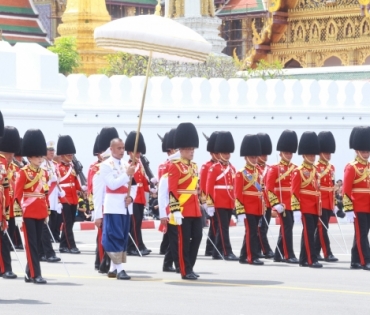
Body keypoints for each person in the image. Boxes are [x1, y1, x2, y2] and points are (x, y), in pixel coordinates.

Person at [97, 138, 135, 280]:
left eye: (123, 148)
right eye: (118, 148)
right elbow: (112, 184)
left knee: (123, 237)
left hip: (125, 206)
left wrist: (131, 198)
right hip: (113, 206)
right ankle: (120, 269)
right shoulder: (105, 165)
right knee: (114, 236)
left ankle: (113, 268)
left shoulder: (127, 165)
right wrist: (127, 175)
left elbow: (135, 186)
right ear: (111, 149)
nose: (121, 151)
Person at [168, 122, 202, 280]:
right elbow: (172, 190)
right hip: (182, 209)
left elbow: (196, 188)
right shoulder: (175, 166)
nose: (191, 152)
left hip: (194, 208)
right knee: (184, 242)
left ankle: (190, 266)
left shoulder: (194, 167)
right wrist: (175, 210)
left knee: (198, 237)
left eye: (192, 149)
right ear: (181, 150)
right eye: (189, 149)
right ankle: (184, 269)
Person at [15, 129, 49, 284]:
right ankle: (36, 274)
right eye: (37, 156)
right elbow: (17, 194)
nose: (40, 159)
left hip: (40, 210)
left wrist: (47, 211)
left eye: (41, 156)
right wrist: (17, 214)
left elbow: (45, 193)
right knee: (31, 245)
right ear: (29, 156)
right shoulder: (23, 172)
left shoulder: (44, 173)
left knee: (38, 244)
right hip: (28, 211)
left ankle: (29, 273)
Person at [265, 130, 299, 264]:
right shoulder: (274, 168)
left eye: (290, 153)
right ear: (280, 153)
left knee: (287, 227)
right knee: (287, 228)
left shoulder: (296, 168)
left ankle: (278, 254)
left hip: (291, 202)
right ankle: (288, 254)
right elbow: (268, 188)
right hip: (282, 204)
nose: (289, 155)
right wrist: (275, 204)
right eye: (286, 153)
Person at [291, 131, 322, 268]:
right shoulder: (298, 171)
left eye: (313, 154)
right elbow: (294, 191)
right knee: (309, 233)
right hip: (305, 206)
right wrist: (296, 209)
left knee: (309, 233)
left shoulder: (315, 171)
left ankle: (303, 259)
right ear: (304, 155)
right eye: (310, 154)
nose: (312, 157)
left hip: (315, 206)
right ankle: (311, 259)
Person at [206, 131, 238, 261]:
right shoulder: (214, 168)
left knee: (222, 227)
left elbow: (234, 187)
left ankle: (216, 252)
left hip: (229, 201)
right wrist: (209, 204)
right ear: (219, 153)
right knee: (223, 227)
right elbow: (208, 187)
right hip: (219, 202)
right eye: (225, 153)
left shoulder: (232, 168)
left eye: (228, 153)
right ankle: (226, 251)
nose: (227, 155)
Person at [342, 126, 370, 270]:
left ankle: (355, 260)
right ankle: (366, 260)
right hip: (358, 206)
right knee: (362, 235)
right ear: (357, 150)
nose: (366, 154)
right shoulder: (351, 167)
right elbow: (346, 189)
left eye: (367, 151)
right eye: (364, 151)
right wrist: (348, 208)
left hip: (368, 206)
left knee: (362, 234)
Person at [92, 127, 119, 271]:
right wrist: (97, 215)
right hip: (106, 207)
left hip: (119, 208)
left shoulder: (122, 168)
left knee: (119, 238)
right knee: (105, 237)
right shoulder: (99, 171)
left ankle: (118, 266)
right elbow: (97, 195)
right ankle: (103, 263)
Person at [236, 135, 265, 266]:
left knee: (252, 232)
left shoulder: (259, 172)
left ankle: (243, 256)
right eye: (251, 157)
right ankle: (251, 256)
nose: (254, 159)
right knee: (251, 232)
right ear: (246, 157)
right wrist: (240, 210)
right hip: (247, 207)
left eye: (255, 157)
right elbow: (238, 193)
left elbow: (261, 190)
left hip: (257, 207)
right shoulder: (241, 173)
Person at [314, 131, 339, 262]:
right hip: (320, 201)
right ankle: (327, 253)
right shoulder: (316, 167)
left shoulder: (331, 167)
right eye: (327, 152)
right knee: (322, 228)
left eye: (330, 153)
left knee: (323, 228)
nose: (329, 155)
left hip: (328, 201)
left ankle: (315, 252)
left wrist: (334, 203)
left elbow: (333, 186)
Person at [57, 135, 84, 254]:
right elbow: (56, 186)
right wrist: (59, 199)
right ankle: (71, 245)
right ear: (62, 155)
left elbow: (75, 182)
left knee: (70, 222)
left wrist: (82, 187)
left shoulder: (72, 167)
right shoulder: (58, 168)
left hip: (73, 198)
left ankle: (63, 245)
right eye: (68, 155)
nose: (71, 156)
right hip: (64, 199)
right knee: (67, 223)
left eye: (71, 155)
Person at [125, 131, 151, 256]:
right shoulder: (128, 165)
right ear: (130, 152)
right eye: (137, 152)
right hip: (133, 197)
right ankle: (136, 246)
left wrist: (150, 189)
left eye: (140, 152)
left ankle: (137, 244)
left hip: (140, 197)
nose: (139, 155)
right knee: (134, 223)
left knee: (138, 222)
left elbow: (143, 181)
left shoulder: (140, 164)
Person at [158, 128, 179, 273]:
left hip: (179, 203)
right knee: (173, 236)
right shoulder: (165, 165)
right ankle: (173, 262)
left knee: (173, 237)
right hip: (169, 204)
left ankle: (168, 260)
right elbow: (164, 189)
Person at [0, 126, 20, 279]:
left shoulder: (12, 166)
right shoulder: (2, 163)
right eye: (10, 153)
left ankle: (6, 267)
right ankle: (6, 268)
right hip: (3, 209)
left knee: (7, 240)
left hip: (9, 208)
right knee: (4, 241)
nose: (12, 155)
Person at [39, 141, 61, 263]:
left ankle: (41, 252)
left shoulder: (53, 164)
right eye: (49, 150)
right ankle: (48, 253)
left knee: (50, 226)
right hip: (44, 198)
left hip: (52, 199)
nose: (52, 152)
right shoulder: (42, 164)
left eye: (53, 150)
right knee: (45, 228)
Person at [200, 131, 218, 256]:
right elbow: (203, 186)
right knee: (214, 226)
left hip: (221, 200)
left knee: (216, 226)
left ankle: (212, 248)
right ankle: (211, 248)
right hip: (211, 200)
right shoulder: (206, 166)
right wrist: (206, 202)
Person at [256, 133, 274, 259]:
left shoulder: (269, 168)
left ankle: (258, 249)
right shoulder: (252, 169)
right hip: (258, 202)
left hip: (267, 202)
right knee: (260, 229)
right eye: (263, 154)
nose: (265, 157)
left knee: (265, 228)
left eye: (266, 154)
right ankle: (266, 250)